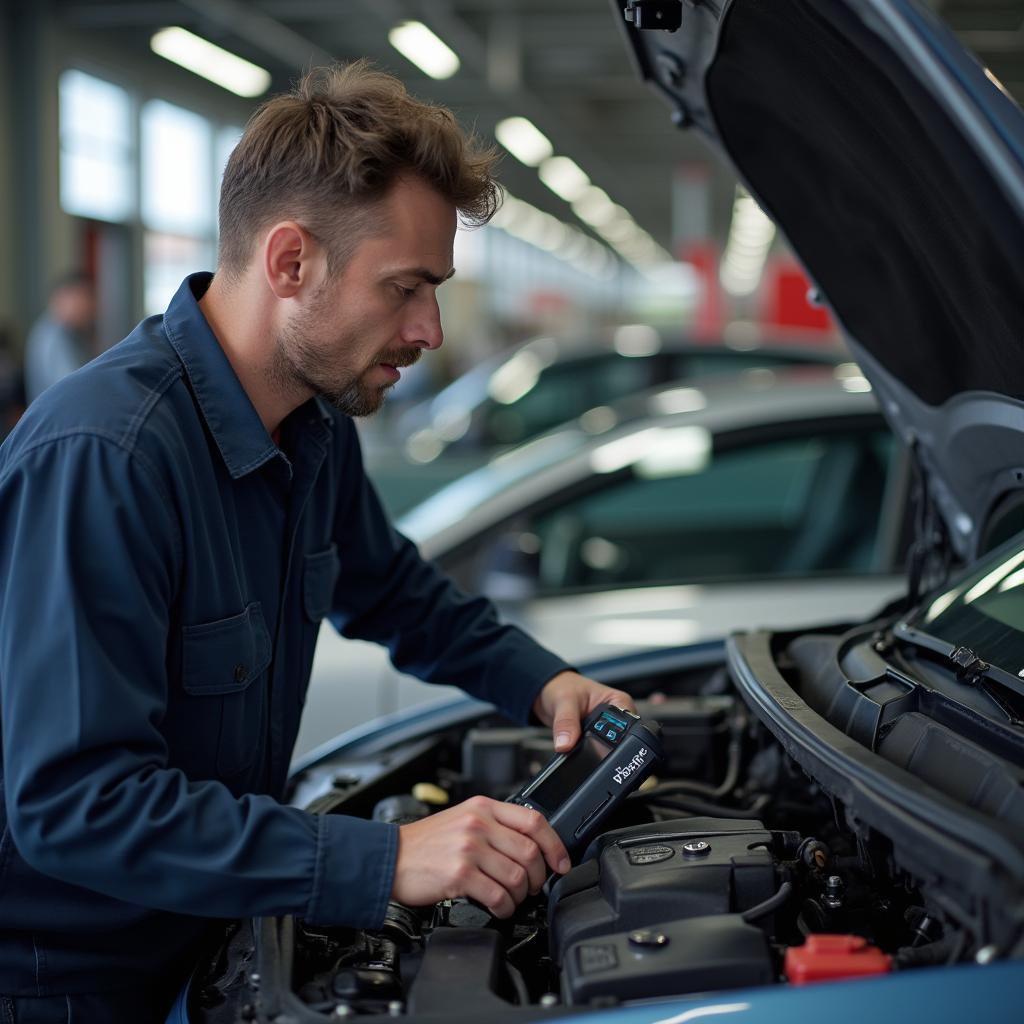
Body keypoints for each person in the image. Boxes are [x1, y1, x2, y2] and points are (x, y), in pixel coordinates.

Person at [0, 62, 633, 1022]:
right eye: (405, 288)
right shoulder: (108, 458)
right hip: (69, 985)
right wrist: (386, 859)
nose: (429, 330)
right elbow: (77, 804)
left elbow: (394, 592)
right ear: (290, 261)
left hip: (210, 936)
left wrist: (545, 685)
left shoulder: (313, 425)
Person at [23, 269, 96, 403]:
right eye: (85, 297)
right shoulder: (55, 336)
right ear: (65, 297)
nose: (91, 307)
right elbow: (76, 389)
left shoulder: (66, 332)